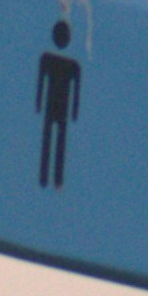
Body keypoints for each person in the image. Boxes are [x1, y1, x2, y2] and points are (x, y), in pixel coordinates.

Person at [30, 15, 83, 186]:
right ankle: (45, 178)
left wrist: (75, 111)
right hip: (51, 108)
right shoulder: (47, 59)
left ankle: (57, 180)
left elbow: (77, 91)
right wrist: (38, 103)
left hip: (62, 110)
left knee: (59, 143)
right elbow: (40, 82)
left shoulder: (73, 65)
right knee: (48, 141)